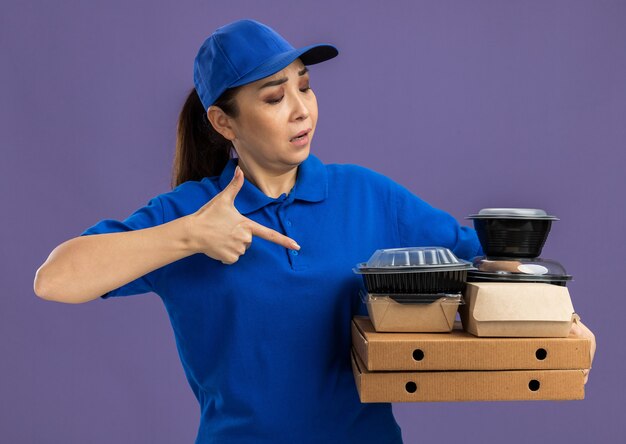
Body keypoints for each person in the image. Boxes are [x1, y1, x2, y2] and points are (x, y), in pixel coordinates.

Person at [33, 19, 595, 444]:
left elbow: (488, 268)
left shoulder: (366, 195)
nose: (301, 109)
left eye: (305, 87)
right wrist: (188, 237)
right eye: (275, 97)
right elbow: (54, 279)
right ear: (223, 122)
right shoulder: (189, 214)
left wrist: (553, 311)